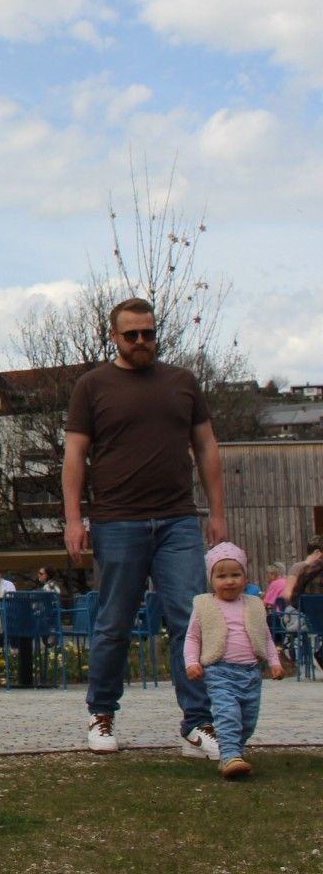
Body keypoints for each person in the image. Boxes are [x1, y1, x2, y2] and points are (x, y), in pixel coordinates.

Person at [64, 296, 228, 758]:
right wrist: (74, 518)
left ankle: (198, 725)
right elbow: (75, 455)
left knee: (189, 621)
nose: (141, 341)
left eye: (148, 333)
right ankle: (101, 715)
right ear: (113, 336)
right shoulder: (92, 387)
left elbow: (207, 448)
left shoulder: (183, 382)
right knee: (114, 623)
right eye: (131, 334)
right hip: (117, 521)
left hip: (178, 519)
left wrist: (216, 514)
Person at [183, 542, 286, 778]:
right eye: (222, 576)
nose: (229, 581)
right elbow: (192, 637)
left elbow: (266, 637)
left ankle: (232, 754)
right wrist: (192, 663)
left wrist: (274, 663)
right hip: (220, 672)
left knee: (248, 720)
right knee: (228, 715)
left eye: (235, 575)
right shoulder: (205, 606)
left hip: (251, 673)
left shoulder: (254, 605)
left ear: (245, 577)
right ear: (211, 579)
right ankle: (230, 757)